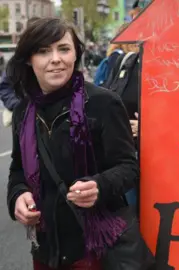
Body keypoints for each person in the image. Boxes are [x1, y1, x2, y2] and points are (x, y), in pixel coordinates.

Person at [6, 18, 138, 269]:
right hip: (45, 250)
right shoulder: (23, 111)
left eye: (63, 49)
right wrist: (17, 196)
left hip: (96, 249)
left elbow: (128, 167)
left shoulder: (103, 103)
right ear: (28, 59)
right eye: (43, 51)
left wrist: (99, 185)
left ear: (76, 54)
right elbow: (17, 170)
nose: (55, 59)